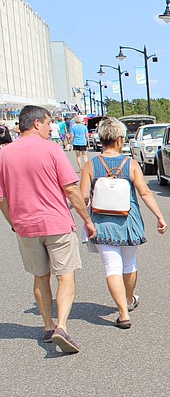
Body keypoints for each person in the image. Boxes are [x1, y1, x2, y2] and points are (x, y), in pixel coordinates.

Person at [0, 105, 96, 354]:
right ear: (36, 124)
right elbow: (71, 189)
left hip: (25, 227)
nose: (50, 127)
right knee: (65, 275)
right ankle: (62, 326)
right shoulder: (52, 149)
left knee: (40, 276)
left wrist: (14, 222)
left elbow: (1, 199)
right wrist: (87, 219)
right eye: (48, 122)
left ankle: (47, 325)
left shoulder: (4, 154)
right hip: (56, 223)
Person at [80, 117, 167, 329]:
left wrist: (85, 219)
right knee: (129, 264)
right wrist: (159, 216)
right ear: (119, 140)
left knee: (112, 267)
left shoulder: (91, 165)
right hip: (129, 220)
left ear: (101, 139)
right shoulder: (131, 164)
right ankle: (128, 301)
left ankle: (123, 313)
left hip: (101, 221)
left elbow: (83, 197)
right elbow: (145, 193)